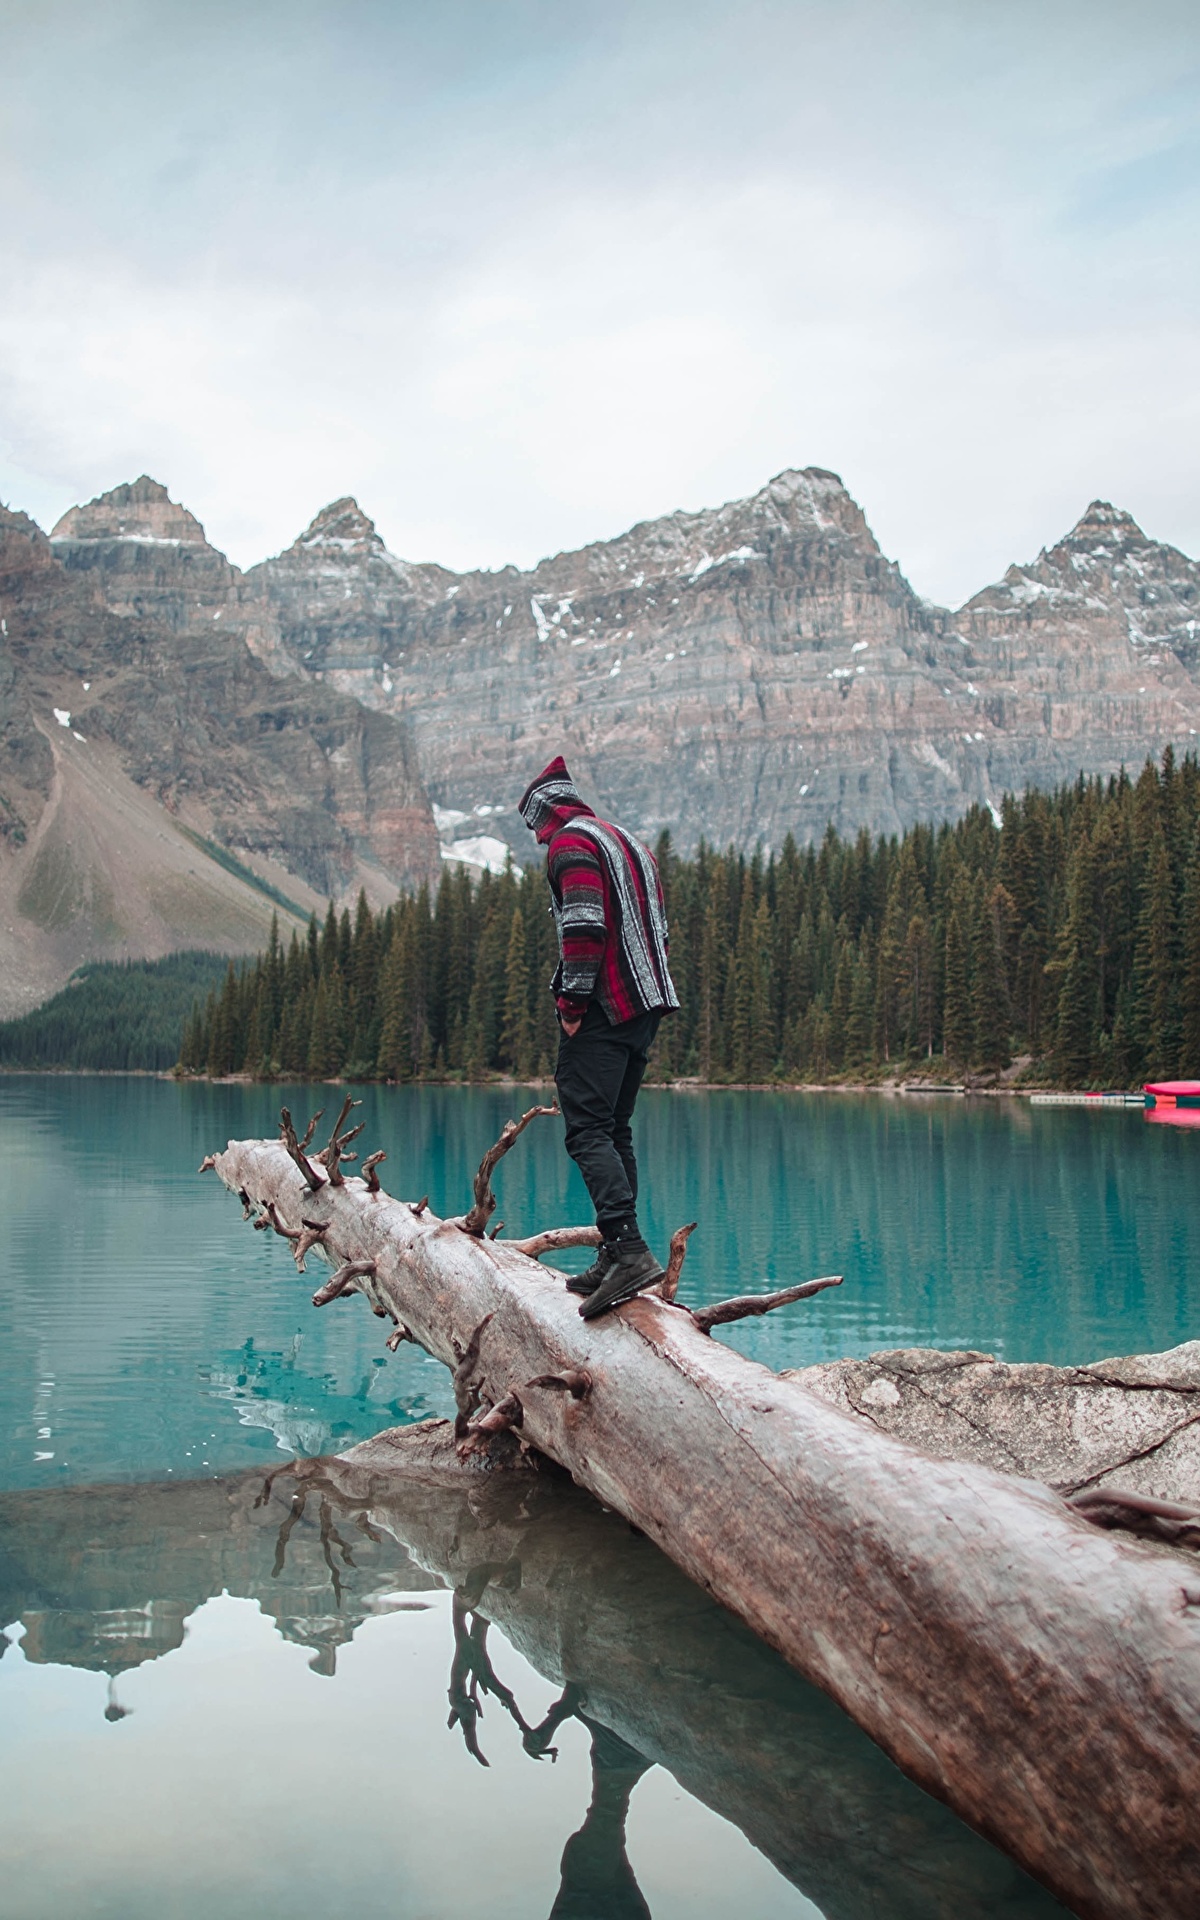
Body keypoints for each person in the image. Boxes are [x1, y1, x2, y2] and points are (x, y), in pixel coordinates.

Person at [517, 756, 678, 1320]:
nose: (539, 841)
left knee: (586, 1129)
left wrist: (570, 1005)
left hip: (605, 1006)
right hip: (647, 1003)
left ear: (546, 813)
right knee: (615, 1129)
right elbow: (656, 924)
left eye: (536, 827)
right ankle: (615, 1251)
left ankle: (629, 1249)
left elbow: (584, 927)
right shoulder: (627, 841)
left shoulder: (570, 845)